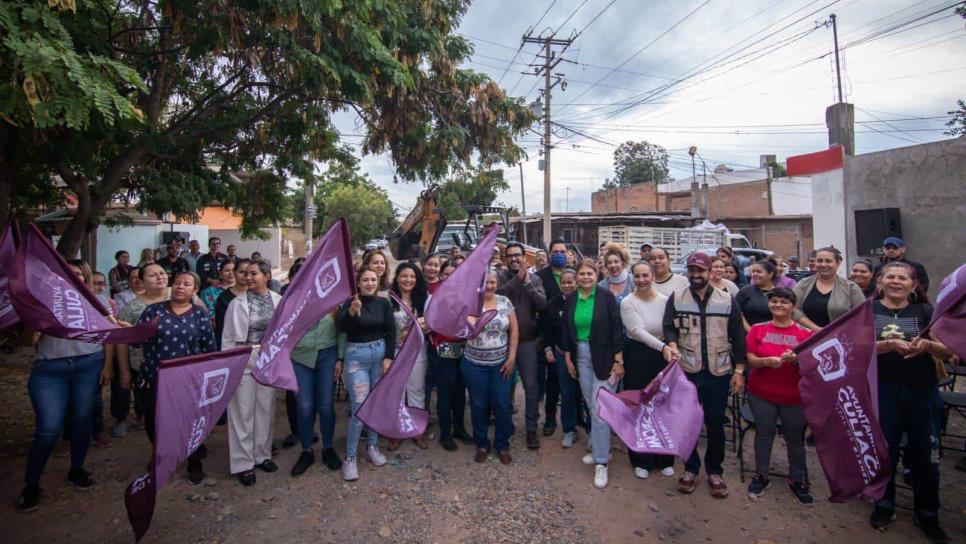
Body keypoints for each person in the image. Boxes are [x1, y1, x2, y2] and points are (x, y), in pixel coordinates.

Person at [18, 261, 115, 512]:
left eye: (80, 275)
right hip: (50, 370)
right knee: (48, 430)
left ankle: (77, 469)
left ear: (87, 279)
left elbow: (110, 335)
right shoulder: (44, 302)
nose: (75, 279)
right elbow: (29, 342)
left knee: (82, 421)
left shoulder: (98, 302)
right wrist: (33, 323)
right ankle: (31, 484)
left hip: (88, 365)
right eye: (68, 275)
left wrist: (108, 366)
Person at [870, 262, 950, 542]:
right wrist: (887, 345)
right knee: (883, 451)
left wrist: (927, 346)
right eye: (889, 276)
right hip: (882, 390)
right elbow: (854, 349)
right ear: (879, 282)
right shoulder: (867, 311)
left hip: (922, 392)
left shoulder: (928, 312)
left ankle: (928, 513)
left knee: (926, 455)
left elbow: (949, 352)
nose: (895, 281)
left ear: (914, 285)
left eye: (902, 278)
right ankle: (884, 504)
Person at [663, 252, 747, 499]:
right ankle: (690, 468)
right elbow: (668, 327)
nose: (696, 275)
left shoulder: (727, 300)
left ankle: (714, 470)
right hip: (687, 370)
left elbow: (738, 337)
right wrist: (671, 343)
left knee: (715, 423)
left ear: (710, 272)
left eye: (700, 271)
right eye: (692, 271)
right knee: (688, 423)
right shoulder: (677, 298)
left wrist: (739, 370)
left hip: (718, 372)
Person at [134, 271, 214, 484]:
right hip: (155, 377)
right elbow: (136, 341)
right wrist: (130, 332)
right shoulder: (153, 311)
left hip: (189, 380)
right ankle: (162, 457)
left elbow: (208, 347)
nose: (180, 286)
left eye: (187, 284)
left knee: (189, 422)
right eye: (177, 282)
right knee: (155, 422)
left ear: (195, 290)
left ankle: (194, 460)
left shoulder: (199, 313)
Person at [744, 287, 813, 504]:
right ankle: (761, 474)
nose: (778, 305)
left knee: (795, 439)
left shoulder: (805, 334)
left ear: (793, 306)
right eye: (774, 301)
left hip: (795, 396)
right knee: (764, 434)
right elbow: (751, 360)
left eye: (784, 302)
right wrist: (766, 362)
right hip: (762, 393)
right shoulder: (757, 329)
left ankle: (797, 479)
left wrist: (798, 359)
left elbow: (813, 366)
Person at [561, 259, 624, 489]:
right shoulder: (570, 300)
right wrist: (568, 356)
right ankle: (602, 448)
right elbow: (567, 330)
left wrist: (618, 359)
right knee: (590, 403)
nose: (586, 277)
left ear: (597, 276)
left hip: (605, 356)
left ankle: (601, 462)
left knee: (600, 409)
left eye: (590, 274)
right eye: (582, 274)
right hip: (580, 354)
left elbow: (617, 328)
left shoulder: (606, 298)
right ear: (576, 277)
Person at [222, 260, 282, 486]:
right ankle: (243, 463)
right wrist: (229, 365)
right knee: (242, 410)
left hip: (268, 359)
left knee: (266, 408)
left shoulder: (278, 301)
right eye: (245, 274)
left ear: (266, 276)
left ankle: (262, 454)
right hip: (242, 357)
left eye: (253, 273)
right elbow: (227, 338)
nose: (248, 277)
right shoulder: (236, 304)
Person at [337, 269, 395, 481]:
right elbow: (342, 327)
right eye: (365, 280)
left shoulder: (383, 303)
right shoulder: (351, 301)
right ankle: (350, 457)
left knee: (375, 404)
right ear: (358, 283)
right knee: (360, 408)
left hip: (379, 356)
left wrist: (388, 357)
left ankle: (372, 446)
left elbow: (390, 331)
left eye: (373, 279)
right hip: (356, 358)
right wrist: (352, 312)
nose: (370, 283)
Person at [620, 261, 675, 480]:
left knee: (662, 406)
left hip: (663, 357)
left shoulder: (665, 301)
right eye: (637, 276)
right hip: (638, 355)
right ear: (632, 277)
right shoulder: (627, 302)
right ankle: (641, 458)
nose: (642, 280)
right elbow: (637, 331)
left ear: (652, 276)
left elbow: (670, 327)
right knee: (640, 406)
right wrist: (663, 347)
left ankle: (665, 458)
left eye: (645, 275)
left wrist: (669, 346)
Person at [288, 259, 342, 476]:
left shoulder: (333, 298)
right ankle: (307, 450)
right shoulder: (290, 300)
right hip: (300, 357)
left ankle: (328, 447)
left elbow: (342, 330)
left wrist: (341, 357)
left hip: (328, 355)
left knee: (326, 405)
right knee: (305, 406)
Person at [463, 269, 517, 465]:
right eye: (486, 282)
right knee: (478, 404)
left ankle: (502, 445)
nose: (490, 286)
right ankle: (482, 444)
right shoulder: (470, 302)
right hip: (474, 364)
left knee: (502, 405)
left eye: (493, 282)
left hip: (501, 365)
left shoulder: (505, 302)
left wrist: (511, 358)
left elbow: (514, 330)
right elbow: (465, 329)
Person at [497, 242, 547, 450]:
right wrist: (517, 280)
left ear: (525, 257)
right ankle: (505, 425)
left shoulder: (535, 279)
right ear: (506, 259)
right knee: (504, 387)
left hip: (527, 342)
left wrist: (526, 283)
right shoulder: (500, 277)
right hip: (503, 342)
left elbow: (542, 305)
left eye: (518, 255)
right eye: (511, 256)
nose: (515, 259)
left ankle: (532, 429)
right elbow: (499, 295)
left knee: (531, 387)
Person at [117, 264, 171, 434]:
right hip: (146, 370)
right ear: (141, 281)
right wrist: (124, 371)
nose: (160, 277)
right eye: (153, 275)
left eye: (162, 272)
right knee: (154, 414)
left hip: (180, 366)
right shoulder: (132, 308)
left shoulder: (182, 295)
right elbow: (122, 341)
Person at [387, 262, 430, 450]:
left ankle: (417, 429)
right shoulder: (389, 300)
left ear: (417, 279)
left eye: (412, 276)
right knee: (397, 391)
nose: (408, 280)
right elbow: (384, 329)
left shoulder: (425, 300)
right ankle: (396, 430)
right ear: (397, 278)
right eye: (404, 276)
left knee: (417, 390)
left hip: (417, 352)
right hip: (395, 352)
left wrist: (425, 327)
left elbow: (431, 325)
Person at [540, 268, 581, 448]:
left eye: (570, 282)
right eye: (563, 282)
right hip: (560, 352)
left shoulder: (585, 301)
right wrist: (548, 348)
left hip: (584, 354)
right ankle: (569, 429)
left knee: (586, 395)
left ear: (577, 282)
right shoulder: (553, 303)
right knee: (566, 394)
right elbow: (546, 329)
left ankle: (590, 431)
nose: (567, 285)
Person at [536, 240, 570, 435]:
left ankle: (575, 419)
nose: (559, 254)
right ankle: (550, 418)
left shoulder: (575, 274)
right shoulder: (540, 276)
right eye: (555, 251)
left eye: (562, 251)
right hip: (550, 336)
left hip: (573, 338)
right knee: (553, 381)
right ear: (549, 254)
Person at [793, 247, 865, 328]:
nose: (823, 264)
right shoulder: (803, 283)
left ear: (838, 263)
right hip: (808, 336)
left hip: (841, 337)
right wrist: (818, 330)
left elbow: (862, 314)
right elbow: (793, 309)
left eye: (828, 261)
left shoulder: (850, 287)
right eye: (819, 261)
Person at [213, 258, 250, 350]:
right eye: (241, 272)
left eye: (249, 272)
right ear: (235, 273)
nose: (245, 276)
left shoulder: (258, 295)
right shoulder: (224, 298)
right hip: (232, 347)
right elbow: (221, 328)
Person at [200, 259, 236, 326]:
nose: (231, 273)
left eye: (234, 270)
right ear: (220, 273)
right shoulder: (209, 292)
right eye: (227, 270)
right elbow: (209, 316)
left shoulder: (247, 290)